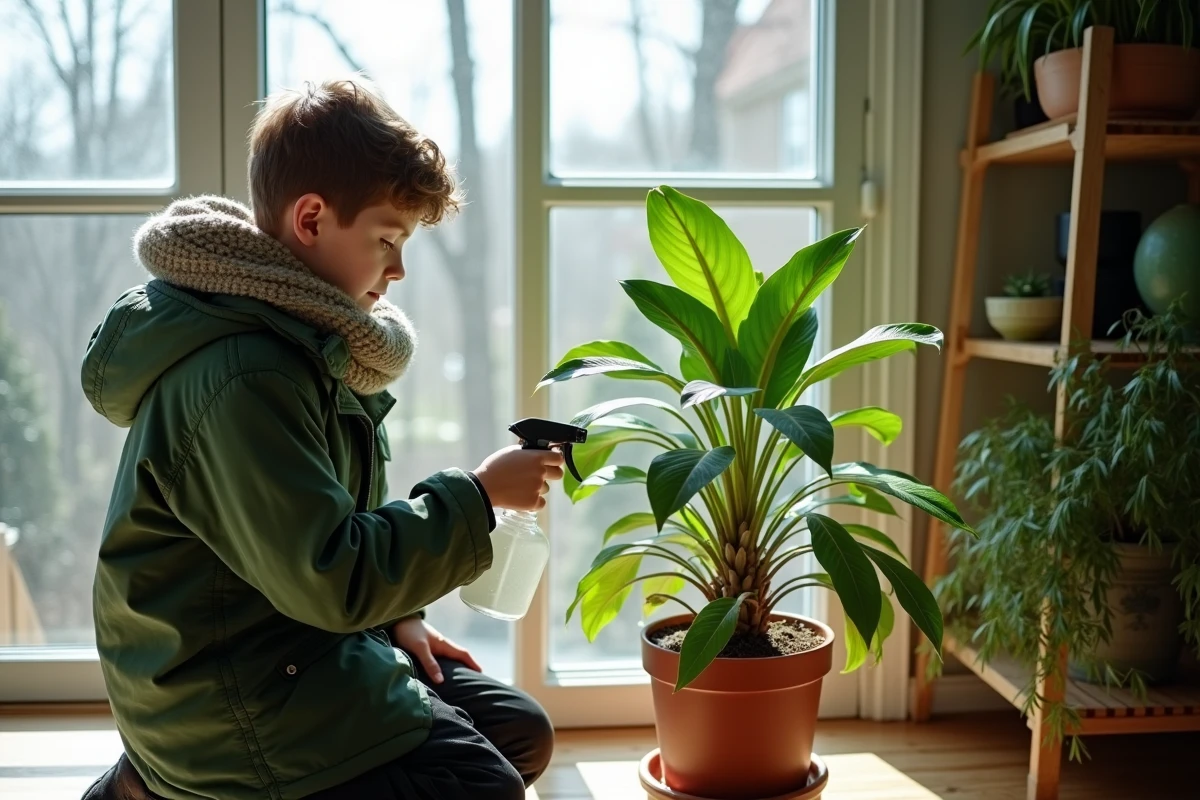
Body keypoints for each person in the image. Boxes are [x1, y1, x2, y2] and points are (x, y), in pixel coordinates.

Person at [80, 76, 562, 800]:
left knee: (519, 731)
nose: (398, 270)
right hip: (222, 692)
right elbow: (331, 575)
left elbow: (327, 532)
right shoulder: (247, 375)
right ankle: (158, 786)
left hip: (293, 640)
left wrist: (398, 619)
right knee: (478, 783)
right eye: (386, 240)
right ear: (310, 219)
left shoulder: (310, 342)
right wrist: (479, 497)